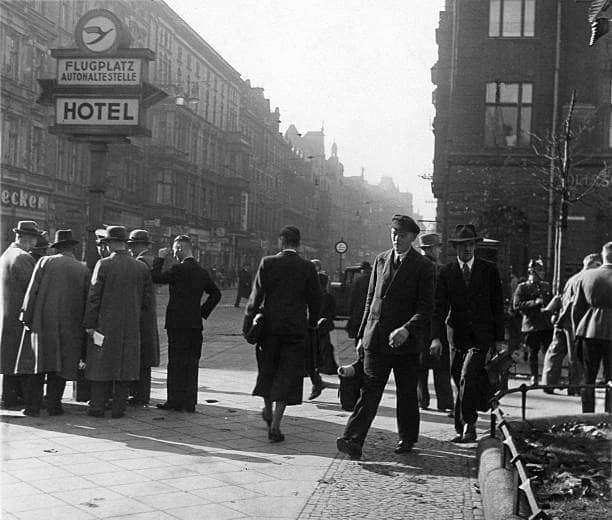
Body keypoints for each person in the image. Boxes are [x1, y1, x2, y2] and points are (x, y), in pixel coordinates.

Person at [337, 215, 434, 458]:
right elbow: (371, 300)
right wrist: (362, 335)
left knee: (407, 393)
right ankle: (353, 439)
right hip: (377, 339)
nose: (396, 238)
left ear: (413, 237)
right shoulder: (381, 260)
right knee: (369, 390)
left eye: (401, 235)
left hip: (405, 344)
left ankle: (407, 438)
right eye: (393, 233)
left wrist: (406, 329)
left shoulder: (424, 267)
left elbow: (426, 308)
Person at [244, 225, 322, 442]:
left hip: (269, 330)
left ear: (281, 241)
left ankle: (267, 409)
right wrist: (312, 323)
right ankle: (276, 426)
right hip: (295, 331)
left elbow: (255, 297)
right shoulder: (307, 268)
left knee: (267, 370)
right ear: (298, 243)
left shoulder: (268, 263)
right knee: (286, 377)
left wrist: (248, 323)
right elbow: (316, 301)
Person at [430, 224, 504, 443]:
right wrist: (435, 337)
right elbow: (439, 307)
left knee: (467, 376)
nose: (467, 250)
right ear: (456, 249)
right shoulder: (447, 272)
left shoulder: (489, 270)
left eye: (471, 245)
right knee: (459, 379)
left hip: (482, 336)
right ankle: (461, 425)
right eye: (463, 246)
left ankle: (469, 426)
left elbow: (497, 306)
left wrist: (499, 339)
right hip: (457, 337)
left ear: (475, 246)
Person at [15, 230, 89, 416]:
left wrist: (26, 317)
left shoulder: (45, 262)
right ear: (73, 248)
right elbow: (88, 299)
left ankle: (32, 407)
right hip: (70, 325)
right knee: (61, 366)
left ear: (56, 248)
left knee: (39, 364)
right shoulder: (83, 269)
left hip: (43, 323)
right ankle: (54, 406)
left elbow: (32, 291)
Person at [83, 226, 154, 418]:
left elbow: (94, 297)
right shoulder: (141, 267)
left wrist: (89, 324)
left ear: (111, 244)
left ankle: (97, 407)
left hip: (104, 325)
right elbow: (147, 301)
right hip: (131, 326)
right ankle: (119, 409)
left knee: (101, 363)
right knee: (126, 365)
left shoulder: (103, 265)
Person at [152, 235, 221, 412]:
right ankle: (189, 402)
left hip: (176, 323)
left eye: (175, 249)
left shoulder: (177, 270)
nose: (174, 253)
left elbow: (156, 277)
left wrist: (159, 257)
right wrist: (201, 312)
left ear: (181, 248)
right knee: (192, 362)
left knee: (175, 362)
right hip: (194, 323)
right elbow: (216, 294)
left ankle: (174, 401)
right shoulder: (201, 271)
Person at [541, 253, 601, 394]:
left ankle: (548, 384)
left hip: (562, 320)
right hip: (575, 322)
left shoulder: (572, 279)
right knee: (576, 355)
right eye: (598, 265)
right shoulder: (587, 279)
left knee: (555, 352)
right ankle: (574, 387)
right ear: (593, 264)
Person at [0, 221, 41, 410]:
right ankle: (18, 397)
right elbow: (32, 290)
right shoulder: (24, 258)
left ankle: (8, 397)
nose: (34, 243)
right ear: (23, 237)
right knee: (21, 358)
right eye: (32, 238)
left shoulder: (6, 254)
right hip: (20, 316)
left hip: (6, 315)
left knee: (9, 357)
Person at [572, 242, 612, 413]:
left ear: (603, 256)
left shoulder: (586, 276)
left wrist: (577, 331)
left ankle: (587, 416)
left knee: (588, 377)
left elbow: (577, 308)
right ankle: (610, 416)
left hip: (588, 329)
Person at [417, 232, 454, 413]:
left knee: (420, 366)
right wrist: (436, 335)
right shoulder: (439, 270)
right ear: (431, 249)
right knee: (441, 368)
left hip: (417, 327)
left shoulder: (412, 268)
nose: (440, 250)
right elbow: (438, 304)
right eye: (438, 247)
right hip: (436, 325)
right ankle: (445, 403)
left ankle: (422, 400)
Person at [127, 229, 160, 405]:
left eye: (133, 246)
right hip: (148, 313)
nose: (130, 249)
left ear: (141, 246)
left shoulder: (140, 262)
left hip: (141, 314)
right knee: (144, 357)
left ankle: (139, 395)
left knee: (139, 356)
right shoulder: (151, 259)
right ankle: (142, 394)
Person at [513, 258, 553, 385]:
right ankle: (534, 376)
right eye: (539, 270)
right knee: (533, 352)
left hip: (546, 324)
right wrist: (534, 303)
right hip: (531, 324)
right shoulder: (523, 287)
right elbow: (517, 304)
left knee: (548, 351)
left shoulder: (546, 286)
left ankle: (547, 377)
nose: (542, 273)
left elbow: (550, 301)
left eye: (542, 270)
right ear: (532, 271)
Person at [346, 261, 372, 343]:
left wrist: (350, 311)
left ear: (362, 270)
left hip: (359, 310)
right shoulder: (375, 279)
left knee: (358, 331)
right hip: (371, 309)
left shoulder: (358, 280)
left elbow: (353, 297)